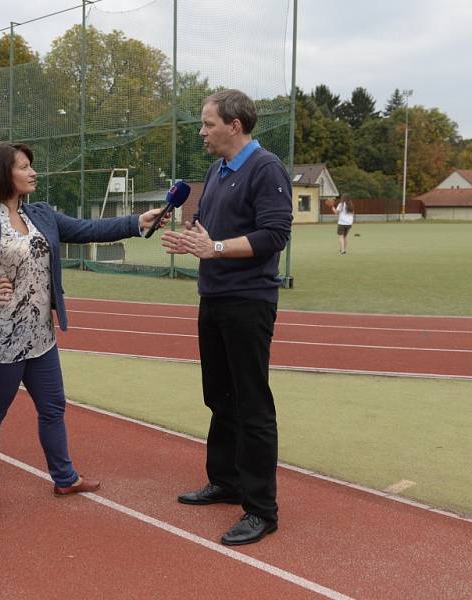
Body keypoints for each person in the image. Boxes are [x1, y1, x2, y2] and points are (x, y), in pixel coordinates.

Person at [0, 142, 166, 520]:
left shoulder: (40, 214)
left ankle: (64, 477)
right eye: (24, 167)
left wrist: (138, 222)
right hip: (0, 338)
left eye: (31, 166)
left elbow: (88, 229)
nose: (33, 172)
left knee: (53, 407)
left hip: (40, 337)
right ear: (2, 175)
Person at [160, 89, 292, 546]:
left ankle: (261, 509)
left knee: (252, 403)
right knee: (219, 395)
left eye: (208, 123)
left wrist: (213, 248)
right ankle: (226, 481)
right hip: (213, 296)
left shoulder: (266, 167)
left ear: (235, 125)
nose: (202, 131)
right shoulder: (216, 170)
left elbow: (274, 234)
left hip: (248, 301)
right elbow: (208, 231)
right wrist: (190, 239)